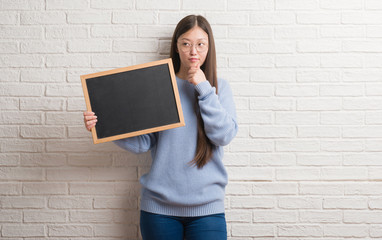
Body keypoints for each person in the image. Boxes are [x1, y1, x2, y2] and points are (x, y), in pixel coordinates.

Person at [83, 15, 238, 240]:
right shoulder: (160, 85)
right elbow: (143, 143)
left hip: (208, 209)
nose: (193, 51)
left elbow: (223, 135)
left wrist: (204, 89)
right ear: (176, 47)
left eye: (200, 44)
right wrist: (103, 127)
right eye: (186, 43)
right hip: (158, 209)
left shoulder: (218, 87)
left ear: (209, 47)